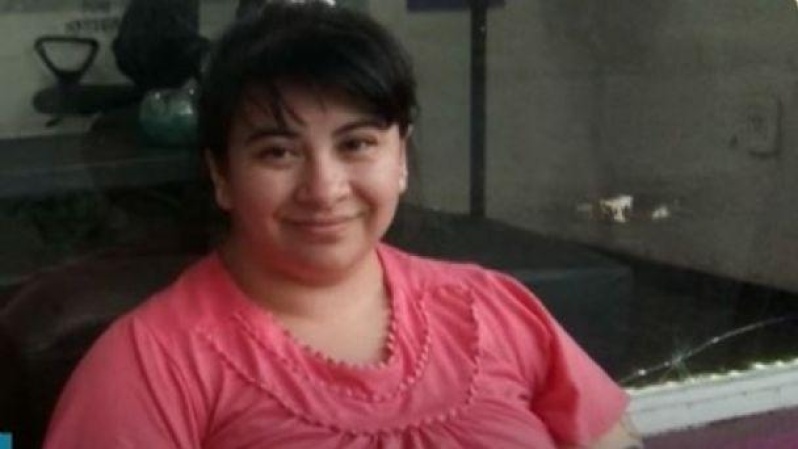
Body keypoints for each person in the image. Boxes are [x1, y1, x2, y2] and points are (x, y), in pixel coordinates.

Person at [44, 1, 643, 448]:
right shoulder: (151, 363)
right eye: (278, 152)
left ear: (400, 158)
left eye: (356, 144)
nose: (324, 189)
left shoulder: (491, 308)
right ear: (221, 175)